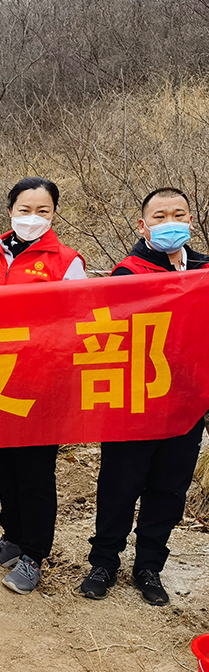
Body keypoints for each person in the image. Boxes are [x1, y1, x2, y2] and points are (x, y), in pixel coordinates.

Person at [80, 187, 208, 605]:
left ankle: (149, 566)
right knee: (119, 485)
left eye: (178, 215)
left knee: (169, 488)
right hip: (133, 401)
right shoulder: (127, 274)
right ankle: (104, 562)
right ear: (143, 225)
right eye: (160, 216)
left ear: (191, 221)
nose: (170, 223)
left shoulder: (205, 272)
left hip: (186, 403)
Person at [0, 176, 86, 595]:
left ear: (54, 214)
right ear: (10, 211)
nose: (33, 217)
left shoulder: (66, 261)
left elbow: (77, 323)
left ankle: (34, 554)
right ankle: (14, 538)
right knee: (4, 465)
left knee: (35, 472)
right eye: (25, 209)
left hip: (41, 383)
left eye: (43, 210)